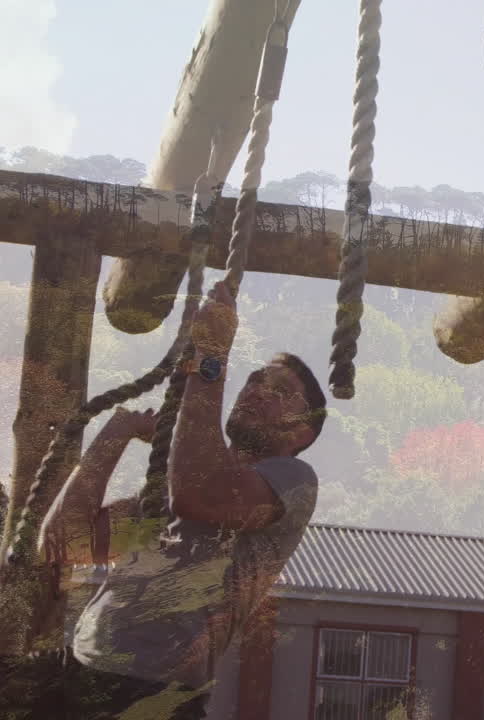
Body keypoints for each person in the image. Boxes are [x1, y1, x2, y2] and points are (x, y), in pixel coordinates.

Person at [22, 279, 327, 719]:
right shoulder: (172, 489)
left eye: (281, 391)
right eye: (255, 381)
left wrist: (211, 356)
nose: (258, 390)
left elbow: (198, 494)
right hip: (79, 670)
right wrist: (116, 433)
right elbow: (65, 543)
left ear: (304, 432)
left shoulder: (294, 480)